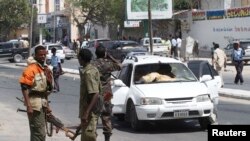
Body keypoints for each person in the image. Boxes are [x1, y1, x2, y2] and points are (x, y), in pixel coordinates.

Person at [19, 45, 53, 141]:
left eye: (44, 55)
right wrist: (29, 106)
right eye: (40, 55)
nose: (43, 56)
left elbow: (44, 91)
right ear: (35, 55)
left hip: (43, 104)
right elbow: (24, 87)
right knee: (38, 133)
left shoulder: (44, 68)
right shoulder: (31, 69)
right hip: (34, 106)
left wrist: (48, 107)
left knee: (41, 134)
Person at [92, 45, 121, 141]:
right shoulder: (108, 64)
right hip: (106, 94)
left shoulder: (92, 64)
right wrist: (110, 57)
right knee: (106, 117)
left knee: (94, 117)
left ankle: (92, 136)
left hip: (94, 93)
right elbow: (120, 66)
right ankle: (107, 139)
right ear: (104, 54)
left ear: (96, 54)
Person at [78, 49, 102, 141]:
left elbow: (95, 94)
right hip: (87, 111)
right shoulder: (88, 70)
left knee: (89, 136)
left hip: (90, 113)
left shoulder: (89, 73)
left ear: (81, 58)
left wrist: (87, 113)